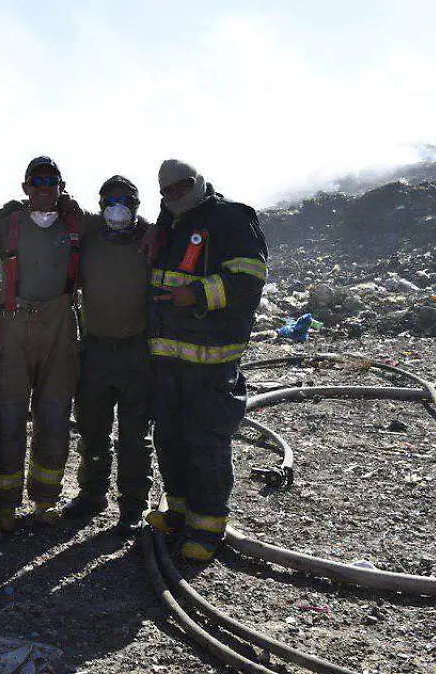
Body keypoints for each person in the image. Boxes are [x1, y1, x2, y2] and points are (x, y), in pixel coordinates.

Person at [145, 159, 268, 562]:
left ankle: (208, 526)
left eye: (183, 186)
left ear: (199, 182)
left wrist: (197, 294)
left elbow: (249, 277)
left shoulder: (230, 219)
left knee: (205, 441)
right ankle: (179, 512)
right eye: (168, 190)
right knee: (170, 437)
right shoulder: (169, 224)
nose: (176, 194)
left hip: (210, 360)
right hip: (168, 359)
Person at [0, 157, 83, 531]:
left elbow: (121, 231)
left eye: (51, 181)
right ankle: (6, 503)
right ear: (25, 187)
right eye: (36, 181)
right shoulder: (8, 222)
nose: (44, 188)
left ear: (61, 186)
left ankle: (45, 500)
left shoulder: (77, 224)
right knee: (8, 417)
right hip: (13, 323)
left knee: (55, 416)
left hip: (59, 325)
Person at [66, 175, 154, 536]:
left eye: (126, 200)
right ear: (100, 204)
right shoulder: (89, 237)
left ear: (136, 206)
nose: (118, 207)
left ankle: (133, 506)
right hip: (97, 350)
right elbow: (62, 206)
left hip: (137, 351)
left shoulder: (151, 241)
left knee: (134, 435)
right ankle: (92, 493)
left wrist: (150, 227)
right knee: (93, 429)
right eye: (110, 200)